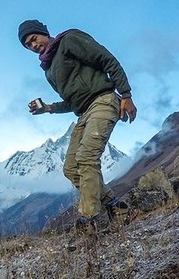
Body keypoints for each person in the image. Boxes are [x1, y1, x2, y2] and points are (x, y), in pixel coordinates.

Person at [18, 19, 137, 233]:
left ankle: (91, 219)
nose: (33, 45)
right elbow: (71, 101)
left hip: (103, 100)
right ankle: (116, 208)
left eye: (34, 39)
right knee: (71, 168)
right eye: (28, 45)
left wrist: (126, 94)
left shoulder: (69, 40)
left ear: (44, 33)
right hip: (83, 114)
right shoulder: (48, 71)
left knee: (87, 158)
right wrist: (47, 108)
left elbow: (106, 59)